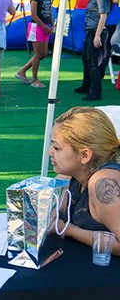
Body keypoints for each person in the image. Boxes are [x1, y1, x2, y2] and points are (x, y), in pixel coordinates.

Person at [49, 107, 120, 256]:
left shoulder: (103, 183)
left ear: (85, 155)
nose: (50, 152)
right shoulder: (71, 176)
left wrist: (69, 230)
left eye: (56, 147)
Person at [74, 0, 112, 101]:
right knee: (86, 59)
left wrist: (97, 36)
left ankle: (96, 92)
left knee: (93, 63)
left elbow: (103, 16)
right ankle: (86, 85)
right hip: (91, 31)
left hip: (96, 32)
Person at [14, 0, 55, 89]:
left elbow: (50, 12)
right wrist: (45, 27)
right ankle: (35, 80)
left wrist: (52, 25)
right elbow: (34, 15)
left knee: (44, 53)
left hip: (46, 27)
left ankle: (22, 70)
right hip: (37, 27)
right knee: (38, 54)